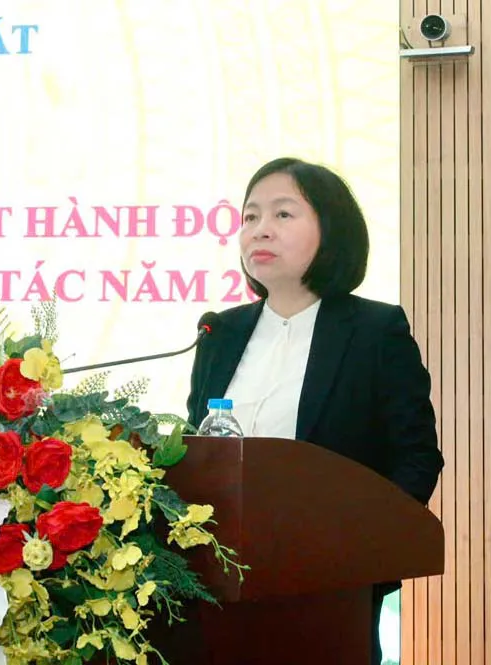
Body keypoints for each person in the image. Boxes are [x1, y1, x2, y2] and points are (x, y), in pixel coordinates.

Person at [186, 157, 445, 664]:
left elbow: (416, 457)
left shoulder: (374, 331)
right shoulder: (219, 332)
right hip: (215, 594)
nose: (260, 230)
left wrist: (363, 558)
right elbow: (198, 456)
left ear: (332, 230)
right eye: (250, 216)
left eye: (283, 214)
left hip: (330, 596)